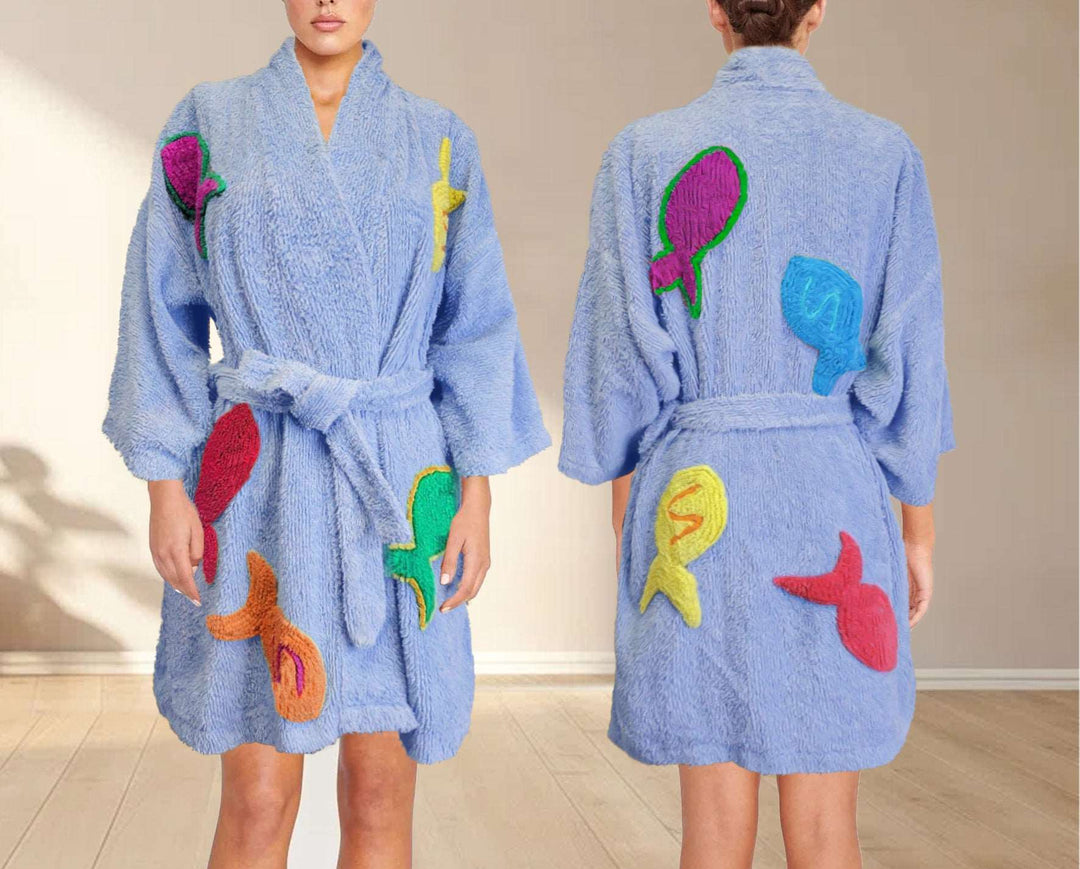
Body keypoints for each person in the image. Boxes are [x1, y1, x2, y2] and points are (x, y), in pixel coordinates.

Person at [102, 1, 549, 865]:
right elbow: (158, 308)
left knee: (381, 793)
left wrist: (477, 493)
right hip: (257, 481)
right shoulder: (209, 121)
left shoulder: (438, 138)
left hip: (396, 478)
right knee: (258, 796)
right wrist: (163, 482)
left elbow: (476, 328)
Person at [558, 1, 953, 866]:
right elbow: (909, 365)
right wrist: (917, 533)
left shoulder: (644, 152)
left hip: (698, 496)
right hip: (834, 499)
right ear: (819, 11)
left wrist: (630, 524)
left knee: (711, 831)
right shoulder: (883, 154)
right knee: (826, 829)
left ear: (715, 11)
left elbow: (618, 362)